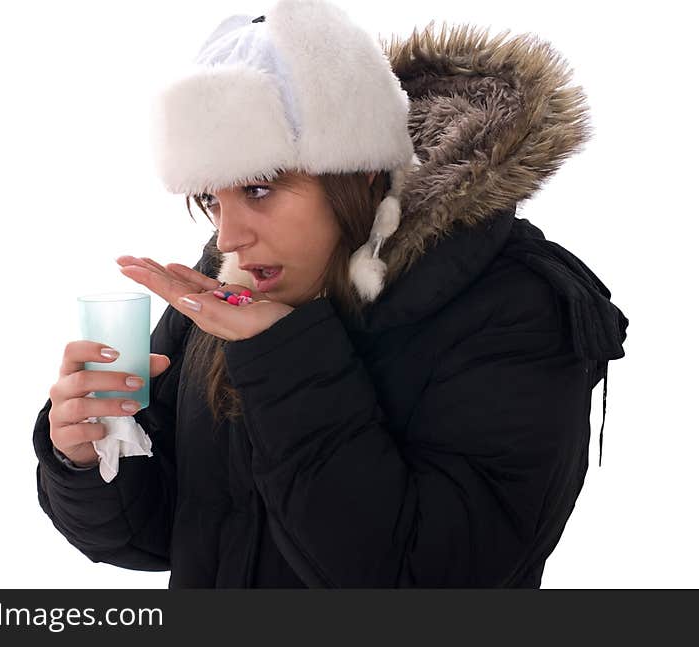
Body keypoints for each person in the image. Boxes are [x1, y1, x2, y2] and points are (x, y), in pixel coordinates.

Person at [32, 0, 629, 587]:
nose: (228, 237)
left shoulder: (515, 309)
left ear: (359, 169)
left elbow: (422, 580)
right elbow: (166, 529)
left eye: (259, 188)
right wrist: (88, 455)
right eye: (213, 199)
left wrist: (283, 355)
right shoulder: (233, 282)